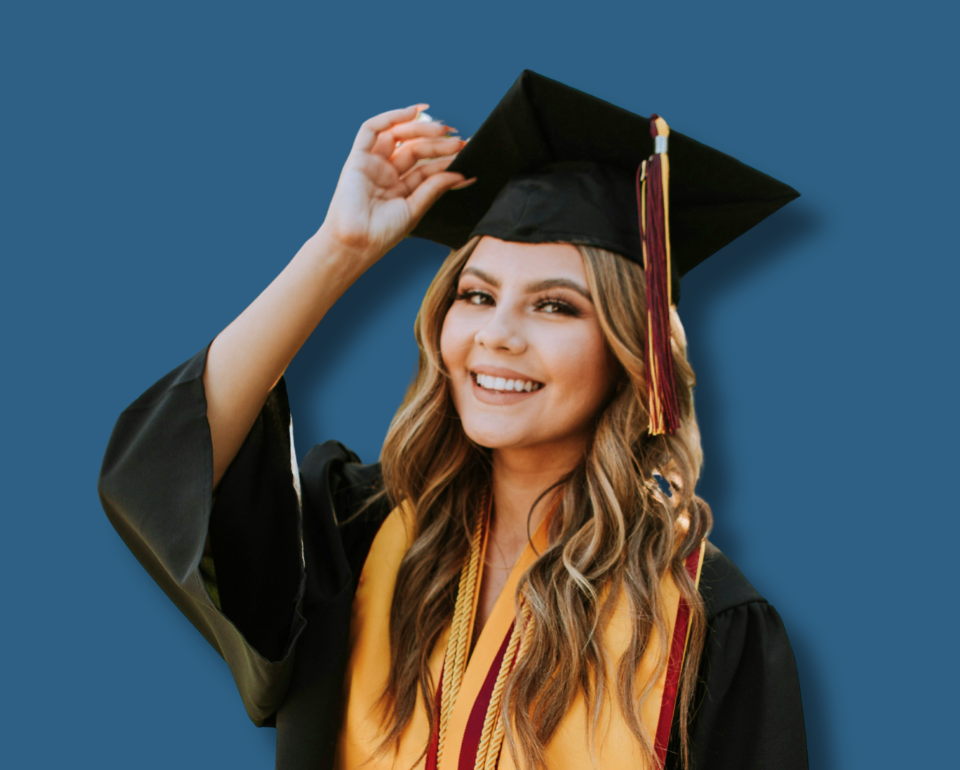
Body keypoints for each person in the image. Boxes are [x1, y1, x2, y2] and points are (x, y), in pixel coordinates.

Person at [98, 71, 808, 770]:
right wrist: (337, 252)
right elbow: (164, 470)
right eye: (476, 295)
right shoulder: (362, 536)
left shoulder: (705, 620)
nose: (496, 335)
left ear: (634, 351)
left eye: (555, 306)